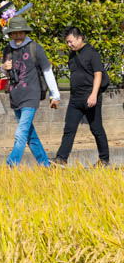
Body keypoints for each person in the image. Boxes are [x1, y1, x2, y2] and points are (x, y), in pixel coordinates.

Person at [1, 15, 60, 167]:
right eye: (14, 33)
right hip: (15, 96)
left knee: (20, 133)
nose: (18, 35)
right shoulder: (7, 50)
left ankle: (11, 165)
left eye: (21, 32)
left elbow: (47, 71)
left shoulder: (35, 48)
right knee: (29, 135)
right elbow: (6, 75)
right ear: (10, 34)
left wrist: (55, 94)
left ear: (25, 32)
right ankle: (45, 164)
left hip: (31, 97)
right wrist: (4, 69)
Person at [53, 27, 110, 166]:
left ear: (79, 38)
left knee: (96, 129)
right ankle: (61, 159)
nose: (69, 45)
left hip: (90, 97)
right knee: (69, 128)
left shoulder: (92, 54)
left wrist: (94, 95)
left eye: (71, 41)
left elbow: (98, 74)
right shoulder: (72, 55)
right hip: (75, 99)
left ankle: (104, 159)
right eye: (67, 42)